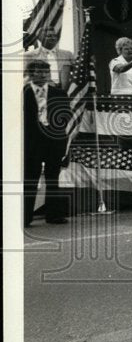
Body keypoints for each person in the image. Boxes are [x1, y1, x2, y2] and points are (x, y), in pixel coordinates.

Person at [23, 59, 69, 226]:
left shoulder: (58, 93)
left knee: (52, 178)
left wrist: (58, 133)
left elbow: (66, 115)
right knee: (31, 179)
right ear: (30, 74)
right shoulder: (23, 93)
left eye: (45, 72)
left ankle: (54, 215)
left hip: (53, 142)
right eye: (38, 72)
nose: (42, 75)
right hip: (32, 143)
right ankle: (25, 216)